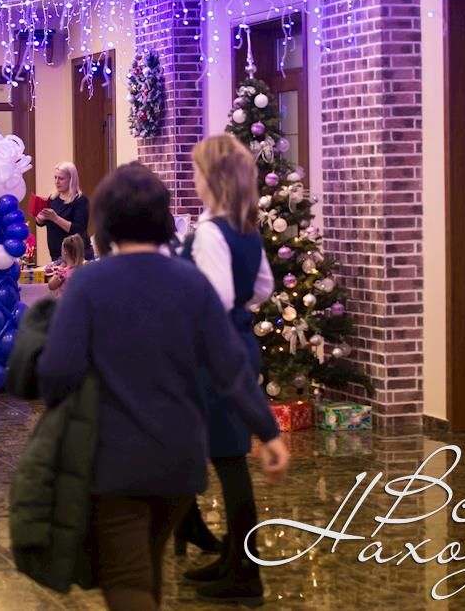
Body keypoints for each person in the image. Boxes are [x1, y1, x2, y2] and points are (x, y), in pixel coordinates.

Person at [36, 163, 288, 611]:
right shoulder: (191, 282)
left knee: (128, 576)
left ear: (105, 222)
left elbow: (57, 373)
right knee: (143, 562)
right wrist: (268, 433)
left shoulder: (90, 282)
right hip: (179, 462)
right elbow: (229, 366)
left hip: (113, 457)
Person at [178, 135, 277, 605]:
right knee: (228, 457)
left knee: (229, 461)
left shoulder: (212, 231)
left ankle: (246, 573)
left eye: (197, 171)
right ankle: (235, 559)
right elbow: (263, 288)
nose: (194, 179)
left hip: (214, 355)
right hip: (240, 343)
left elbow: (213, 298)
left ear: (212, 179)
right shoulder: (245, 227)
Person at [35, 162, 94, 262]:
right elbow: (44, 222)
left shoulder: (80, 200)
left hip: (76, 254)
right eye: (55, 178)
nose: (57, 182)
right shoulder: (52, 198)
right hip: (56, 253)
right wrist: (40, 219)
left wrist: (55, 218)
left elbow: (79, 229)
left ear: (71, 179)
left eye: (61, 178)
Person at [47, 234, 85, 298]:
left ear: (65, 251)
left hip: (65, 302)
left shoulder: (63, 273)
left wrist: (60, 270)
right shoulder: (85, 270)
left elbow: (51, 286)